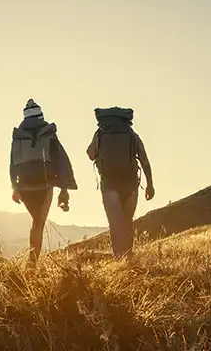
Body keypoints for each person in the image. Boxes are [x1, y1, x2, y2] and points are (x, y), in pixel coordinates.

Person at [9, 99, 77, 262]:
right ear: (41, 116)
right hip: (45, 185)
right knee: (38, 222)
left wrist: (15, 188)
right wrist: (64, 188)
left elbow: (12, 163)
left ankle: (32, 262)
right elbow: (61, 161)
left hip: (24, 186)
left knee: (36, 222)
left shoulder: (18, 137)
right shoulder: (49, 134)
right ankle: (32, 263)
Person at [86, 107, 154, 258]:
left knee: (114, 223)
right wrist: (150, 184)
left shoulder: (100, 134)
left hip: (109, 183)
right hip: (130, 183)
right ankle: (128, 256)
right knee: (127, 220)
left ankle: (118, 258)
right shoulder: (131, 134)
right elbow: (144, 159)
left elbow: (91, 155)